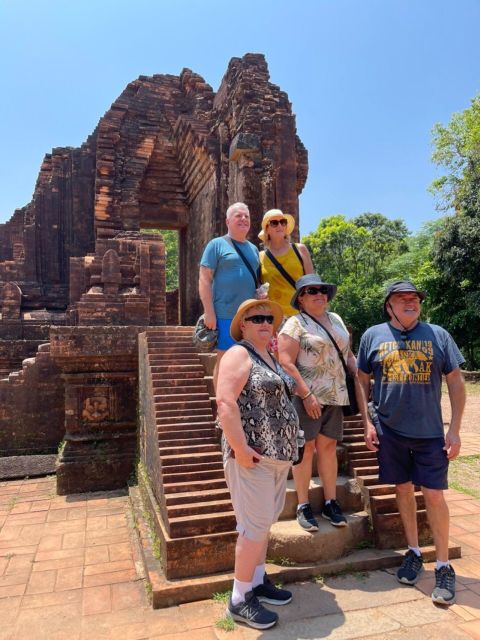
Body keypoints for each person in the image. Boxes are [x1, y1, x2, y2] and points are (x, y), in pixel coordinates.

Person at [357, 280, 466, 606]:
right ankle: (414, 552)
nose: (411, 302)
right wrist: (366, 421)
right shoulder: (372, 336)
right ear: (388, 305)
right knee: (402, 489)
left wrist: (455, 429)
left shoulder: (438, 335)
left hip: (430, 432)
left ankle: (444, 565)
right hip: (389, 432)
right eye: (402, 298)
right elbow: (361, 380)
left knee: (433, 494)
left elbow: (456, 383)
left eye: (415, 298)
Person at [216, 298, 299, 629]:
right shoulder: (239, 353)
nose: (265, 323)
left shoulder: (271, 357)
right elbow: (225, 401)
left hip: (277, 456)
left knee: (263, 523)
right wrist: (239, 447)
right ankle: (239, 598)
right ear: (244, 325)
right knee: (253, 527)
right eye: (257, 318)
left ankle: (257, 580)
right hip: (253, 456)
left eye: (269, 318)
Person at [278, 274, 362, 532]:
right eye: (312, 290)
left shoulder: (335, 319)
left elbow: (346, 353)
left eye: (323, 290)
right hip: (307, 397)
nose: (319, 294)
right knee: (306, 450)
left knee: (328, 447)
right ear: (301, 298)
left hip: (335, 395)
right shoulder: (294, 324)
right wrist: (305, 395)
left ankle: (330, 501)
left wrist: (359, 373)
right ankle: (303, 504)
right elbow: (285, 361)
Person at [199, 203, 261, 388]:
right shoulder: (216, 245)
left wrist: (261, 295)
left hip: (250, 315)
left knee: (249, 361)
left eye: (246, 216)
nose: (243, 219)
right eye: (238, 216)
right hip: (225, 313)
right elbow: (204, 279)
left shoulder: (254, 249)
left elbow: (255, 281)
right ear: (228, 221)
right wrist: (209, 311)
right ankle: (222, 408)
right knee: (225, 359)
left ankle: (242, 406)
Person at [258, 209, 314, 317]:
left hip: (300, 315)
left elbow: (312, 284)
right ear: (267, 229)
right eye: (274, 223)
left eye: (283, 222)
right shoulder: (260, 257)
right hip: (272, 318)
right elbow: (258, 286)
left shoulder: (300, 249)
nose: (279, 225)